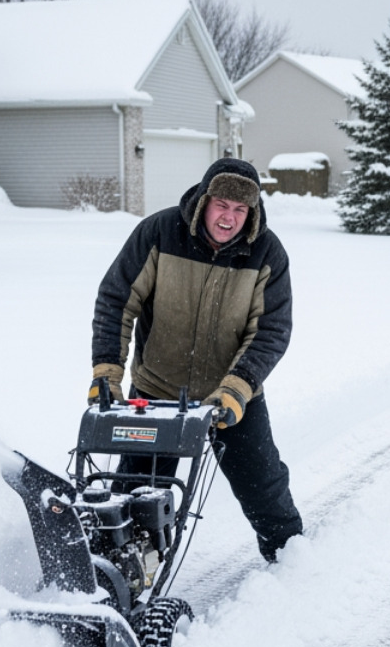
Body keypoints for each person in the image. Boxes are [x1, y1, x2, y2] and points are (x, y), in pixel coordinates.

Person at [90, 158, 303, 562]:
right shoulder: (159, 232)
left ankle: (292, 560)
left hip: (233, 396)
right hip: (157, 392)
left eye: (241, 210)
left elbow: (271, 330)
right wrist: (107, 371)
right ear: (205, 200)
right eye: (223, 204)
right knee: (137, 489)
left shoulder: (267, 252)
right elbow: (118, 300)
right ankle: (124, 570)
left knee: (263, 484)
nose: (229, 217)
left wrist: (236, 388)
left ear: (252, 212)